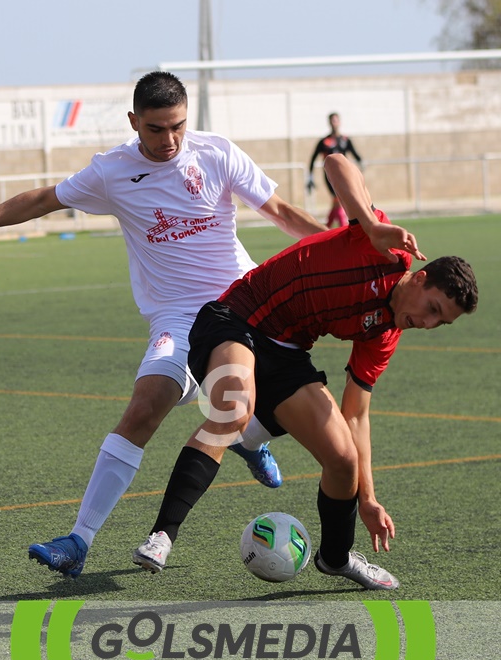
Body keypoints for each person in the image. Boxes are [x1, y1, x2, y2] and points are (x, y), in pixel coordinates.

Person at [0, 72, 326, 578]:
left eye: (178, 127)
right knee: (145, 406)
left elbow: (280, 212)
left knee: (244, 404)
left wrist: (351, 247)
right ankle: (78, 540)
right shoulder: (112, 171)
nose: (169, 141)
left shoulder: (216, 153)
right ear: (133, 123)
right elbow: (42, 200)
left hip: (241, 307)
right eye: (155, 129)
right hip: (177, 315)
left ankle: (251, 441)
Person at [132, 154, 478, 590]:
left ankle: (335, 558)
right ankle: (162, 535)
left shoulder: (385, 333)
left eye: (440, 322)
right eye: (432, 309)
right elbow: (336, 162)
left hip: (287, 352)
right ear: (420, 277)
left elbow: (356, 415)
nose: (428, 324)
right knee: (233, 411)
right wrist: (369, 223)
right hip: (234, 319)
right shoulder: (383, 248)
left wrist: (367, 498)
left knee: (342, 458)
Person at [307, 112, 363, 228]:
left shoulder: (345, 140)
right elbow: (313, 159)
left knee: (337, 201)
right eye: (332, 120)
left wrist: (360, 166)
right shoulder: (324, 141)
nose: (334, 123)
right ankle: (343, 226)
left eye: (336, 120)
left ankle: (327, 227)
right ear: (329, 123)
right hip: (330, 176)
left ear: (339, 122)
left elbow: (355, 154)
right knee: (339, 200)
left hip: (345, 175)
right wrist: (310, 177)